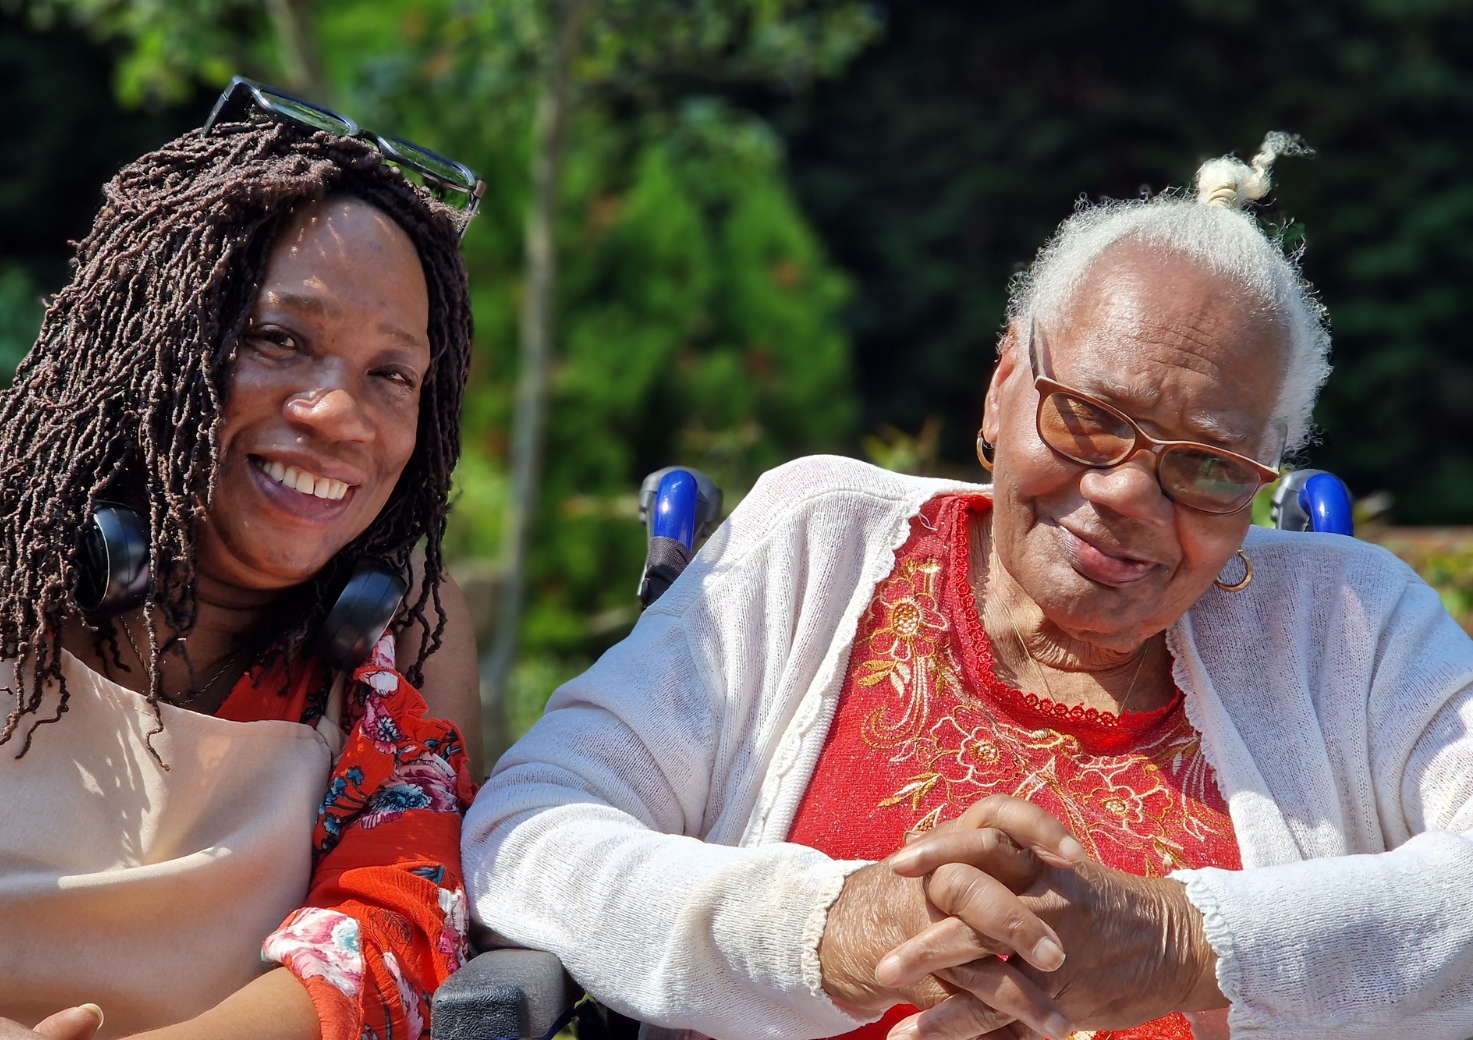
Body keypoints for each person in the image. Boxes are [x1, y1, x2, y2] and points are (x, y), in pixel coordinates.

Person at [462, 133, 1473, 1040]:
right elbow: (532, 825)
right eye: (1085, 414)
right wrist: (835, 929)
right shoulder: (820, 542)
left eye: (1208, 464)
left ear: (1262, 475)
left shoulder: (1351, 623)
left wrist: (1187, 941)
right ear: (1002, 389)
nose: (1124, 489)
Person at [0, 80, 484, 1040]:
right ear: (153, 342)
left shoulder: (405, 635)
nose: (339, 416)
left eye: (390, 374)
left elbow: (392, 939)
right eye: (278, 339)